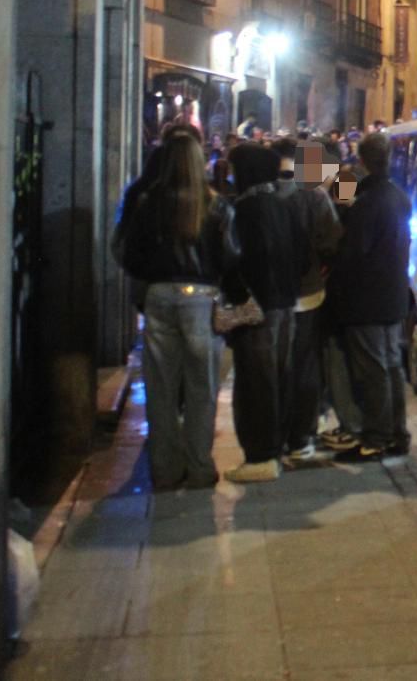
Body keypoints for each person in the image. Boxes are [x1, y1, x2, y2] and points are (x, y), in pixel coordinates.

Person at [121, 133, 239, 491]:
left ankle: (165, 469)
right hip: (202, 298)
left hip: (159, 295)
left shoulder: (147, 204)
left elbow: (131, 256)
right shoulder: (216, 205)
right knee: (202, 387)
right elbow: (231, 258)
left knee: (161, 389)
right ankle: (200, 466)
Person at [222, 143, 311, 482]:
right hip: (286, 305)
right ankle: (278, 447)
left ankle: (261, 455)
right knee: (279, 377)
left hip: (257, 308)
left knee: (256, 381)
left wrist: (238, 296)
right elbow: (305, 255)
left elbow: (231, 260)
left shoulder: (242, 211)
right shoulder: (285, 206)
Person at [328, 133, 414, 462]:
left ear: (361, 161)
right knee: (391, 366)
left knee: (374, 371)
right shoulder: (397, 196)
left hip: (368, 300)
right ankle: (397, 433)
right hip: (393, 296)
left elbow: (352, 253)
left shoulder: (367, 202)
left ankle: (376, 437)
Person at [272, 138, 344, 465]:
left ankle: (277, 436)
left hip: (273, 297)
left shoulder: (261, 194)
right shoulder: (317, 194)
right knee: (305, 365)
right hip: (310, 293)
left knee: (277, 367)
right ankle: (301, 436)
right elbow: (335, 240)